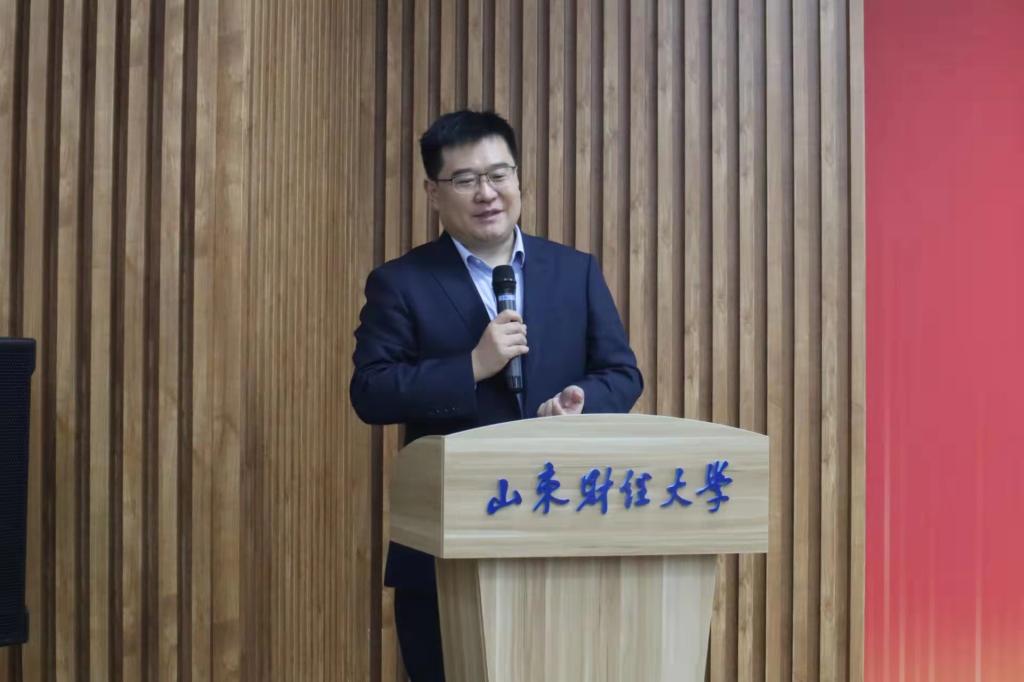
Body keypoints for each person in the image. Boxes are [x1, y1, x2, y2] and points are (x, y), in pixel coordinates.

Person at [350, 110, 643, 681]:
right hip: (447, 551)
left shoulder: (574, 271)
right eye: (465, 180)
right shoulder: (402, 282)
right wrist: (471, 367)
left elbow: (622, 373)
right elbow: (371, 391)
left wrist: (580, 400)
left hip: (564, 538)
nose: (487, 193)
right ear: (433, 192)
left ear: (518, 178)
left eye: (498, 174)